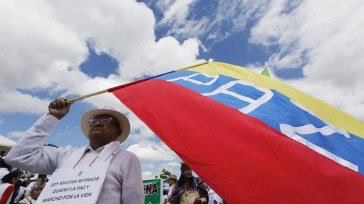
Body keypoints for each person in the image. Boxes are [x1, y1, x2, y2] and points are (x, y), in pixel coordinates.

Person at [5, 98, 144, 204]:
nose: (98, 123)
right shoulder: (66, 154)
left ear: (118, 131)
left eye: (107, 120)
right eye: (93, 121)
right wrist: (52, 117)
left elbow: (134, 200)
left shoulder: (126, 158)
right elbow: (17, 156)